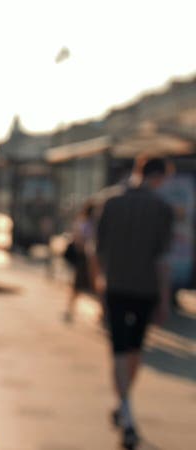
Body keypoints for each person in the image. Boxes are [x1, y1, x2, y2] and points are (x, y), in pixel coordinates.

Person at [95, 156, 173, 449]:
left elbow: (97, 251)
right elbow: (162, 260)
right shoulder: (162, 209)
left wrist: (99, 285)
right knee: (135, 349)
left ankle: (124, 406)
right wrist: (165, 299)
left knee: (117, 349)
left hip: (115, 287)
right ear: (159, 176)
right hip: (146, 289)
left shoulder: (111, 204)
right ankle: (126, 409)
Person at [64, 201, 97, 323]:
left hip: (85, 257)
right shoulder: (87, 223)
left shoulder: (81, 222)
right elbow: (81, 240)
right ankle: (71, 308)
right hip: (85, 258)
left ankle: (71, 308)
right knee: (81, 284)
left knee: (80, 285)